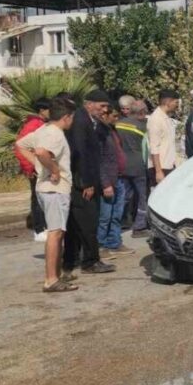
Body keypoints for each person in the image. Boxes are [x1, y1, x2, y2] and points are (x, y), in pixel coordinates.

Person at [16, 98, 77, 292]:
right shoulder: (55, 134)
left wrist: (37, 165)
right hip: (54, 190)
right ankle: (51, 279)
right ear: (66, 117)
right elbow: (42, 152)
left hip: (45, 189)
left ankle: (55, 275)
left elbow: (21, 144)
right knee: (56, 232)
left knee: (57, 232)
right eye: (72, 118)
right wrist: (53, 169)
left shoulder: (43, 129)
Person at [64, 89, 117, 277]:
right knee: (87, 223)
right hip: (82, 182)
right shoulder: (80, 121)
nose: (104, 110)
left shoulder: (91, 121)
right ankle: (90, 261)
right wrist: (86, 182)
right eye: (102, 106)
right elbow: (79, 153)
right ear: (89, 104)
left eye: (106, 107)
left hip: (85, 180)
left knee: (78, 224)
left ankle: (71, 260)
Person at [97, 108, 133, 258]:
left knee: (117, 214)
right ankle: (100, 246)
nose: (117, 119)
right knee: (105, 216)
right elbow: (99, 161)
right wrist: (105, 183)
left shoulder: (112, 131)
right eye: (114, 116)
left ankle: (114, 242)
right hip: (108, 181)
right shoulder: (99, 132)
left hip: (119, 178)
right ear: (105, 115)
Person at [15, 97, 51, 242]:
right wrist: (30, 167)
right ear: (42, 111)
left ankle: (45, 226)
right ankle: (39, 228)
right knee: (37, 199)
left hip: (42, 167)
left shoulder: (42, 124)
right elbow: (20, 147)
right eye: (50, 109)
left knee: (43, 199)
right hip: (35, 169)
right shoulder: (33, 125)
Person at [116, 100, 151, 237]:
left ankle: (117, 223)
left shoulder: (118, 123)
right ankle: (139, 227)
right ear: (142, 112)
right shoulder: (142, 126)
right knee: (142, 197)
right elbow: (147, 148)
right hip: (138, 166)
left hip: (121, 165)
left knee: (123, 196)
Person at [148, 89, 179, 187]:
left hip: (169, 164)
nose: (177, 105)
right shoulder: (156, 119)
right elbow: (154, 147)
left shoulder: (166, 118)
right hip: (161, 167)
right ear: (168, 102)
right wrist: (158, 171)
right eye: (176, 102)